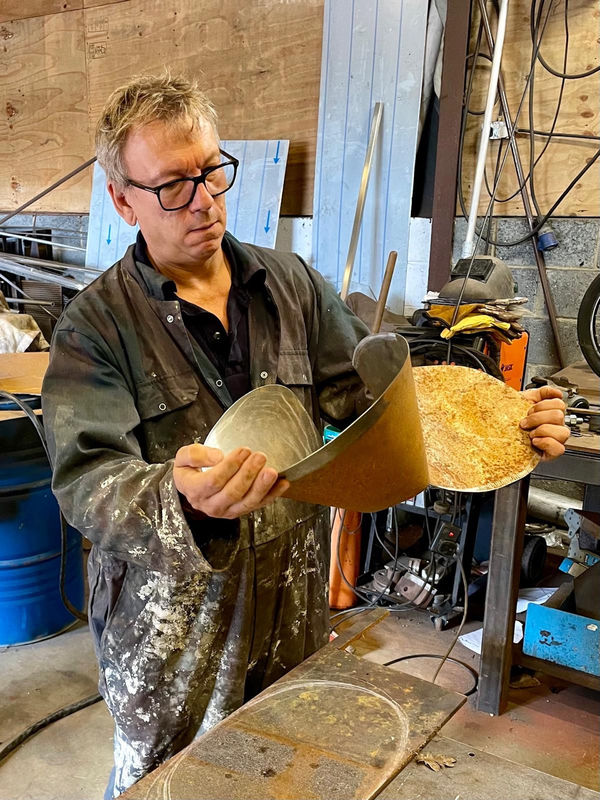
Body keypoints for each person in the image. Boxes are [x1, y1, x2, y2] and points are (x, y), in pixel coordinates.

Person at [42, 73, 569, 798]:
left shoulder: (291, 285)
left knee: (277, 769)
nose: (204, 201)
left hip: (289, 600)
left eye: (212, 172)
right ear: (122, 198)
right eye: (173, 186)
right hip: (171, 630)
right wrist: (180, 495)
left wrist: (508, 423)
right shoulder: (95, 328)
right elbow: (86, 480)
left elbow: (373, 401)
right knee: (166, 783)